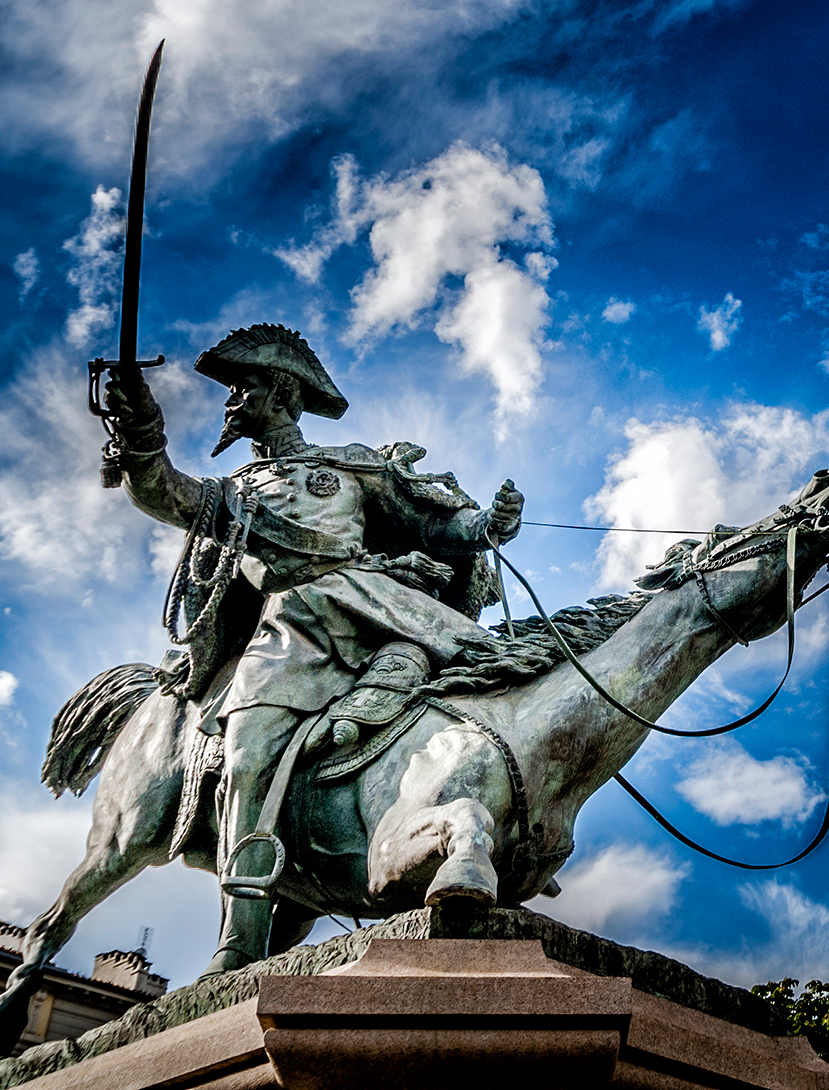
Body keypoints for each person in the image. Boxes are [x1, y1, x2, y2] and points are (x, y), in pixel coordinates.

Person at [101, 323, 524, 974]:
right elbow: (162, 489)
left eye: (244, 386)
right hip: (288, 635)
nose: (231, 399)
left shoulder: (349, 466)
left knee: (502, 685)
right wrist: (139, 425)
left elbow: (433, 522)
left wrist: (487, 524)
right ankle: (243, 930)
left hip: (382, 613)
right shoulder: (233, 492)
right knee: (246, 757)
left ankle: (521, 822)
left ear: (282, 391)